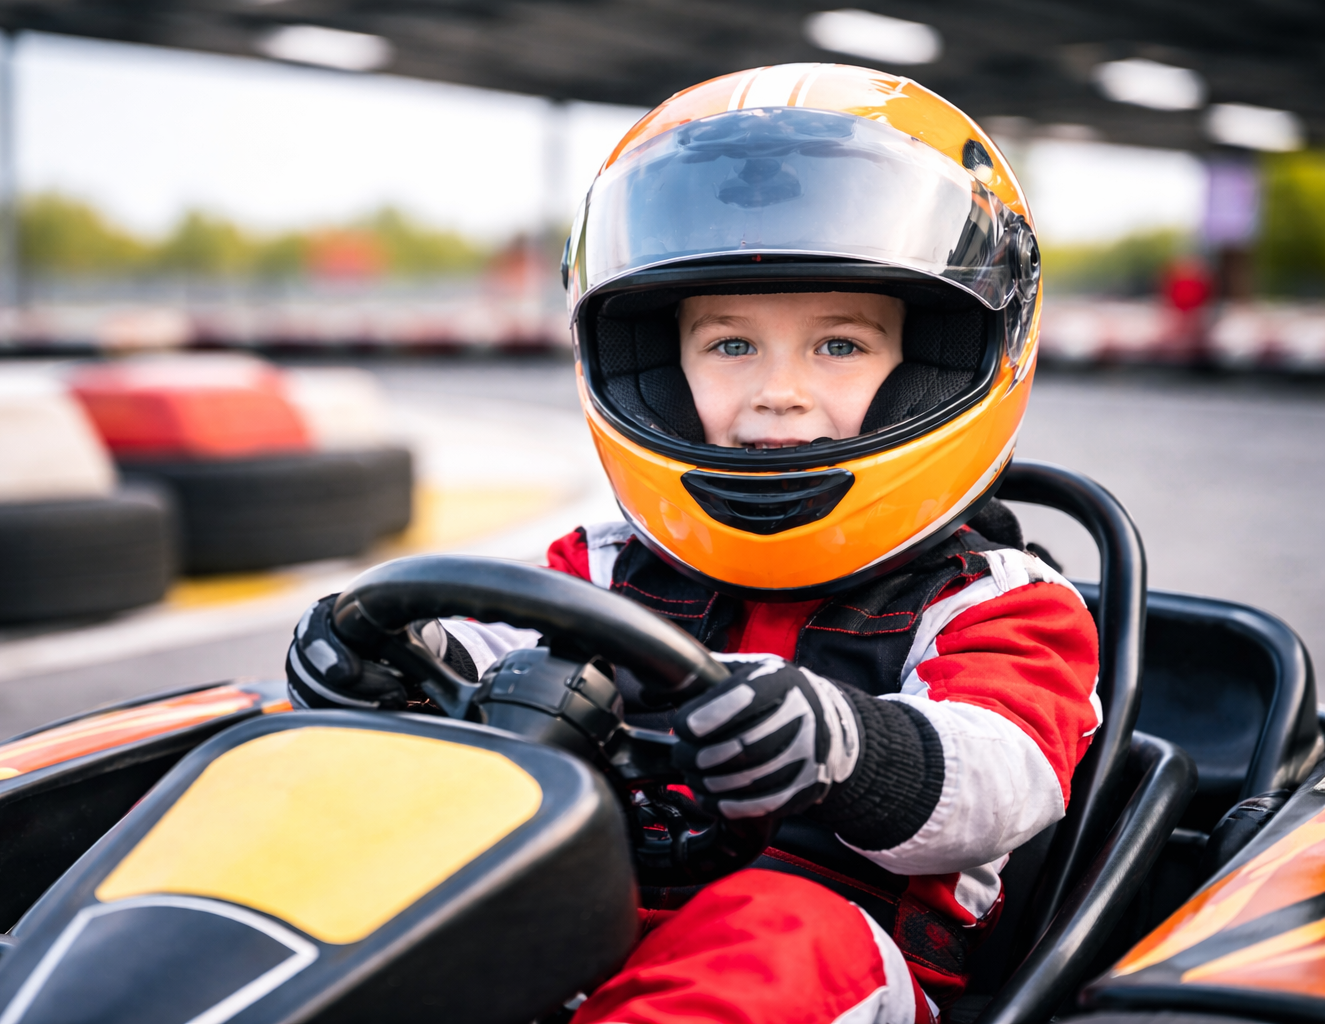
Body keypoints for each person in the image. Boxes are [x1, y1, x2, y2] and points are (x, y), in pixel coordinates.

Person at [286, 63, 1100, 1024]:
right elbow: (490, 655)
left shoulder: (1002, 602)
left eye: (839, 346)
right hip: (583, 930)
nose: (778, 394)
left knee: (778, 926)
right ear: (655, 368)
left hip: (839, 970)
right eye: (730, 346)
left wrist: (845, 746)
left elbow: (1002, 775)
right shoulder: (604, 571)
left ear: (939, 363)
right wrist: (391, 663)